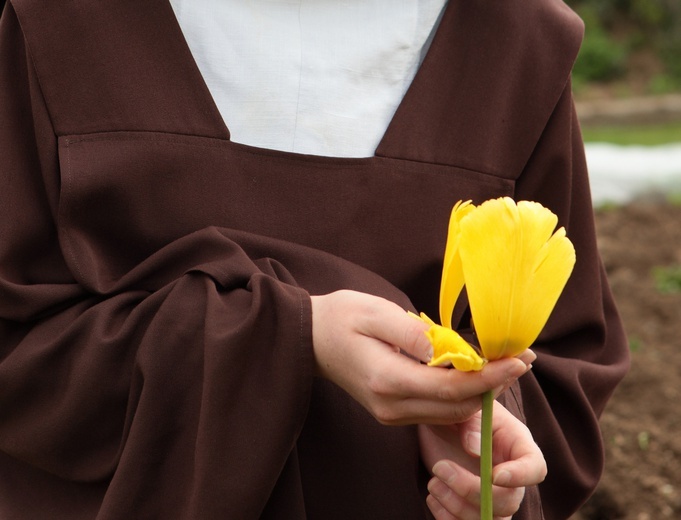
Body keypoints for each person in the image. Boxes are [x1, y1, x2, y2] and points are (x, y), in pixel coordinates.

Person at [0, 1, 629, 519]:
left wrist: (474, 436)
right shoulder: (58, 23)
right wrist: (296, 340)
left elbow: (562, 368)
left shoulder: (516, 46)